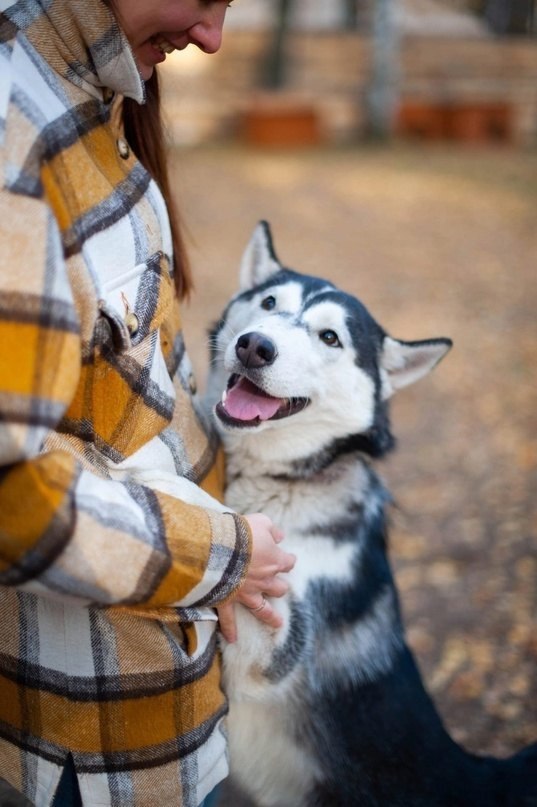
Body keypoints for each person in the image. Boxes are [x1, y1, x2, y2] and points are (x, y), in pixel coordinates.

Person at [0, 1, 295, 805]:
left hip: (173, 697)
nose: (213, 36)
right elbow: (15, 500)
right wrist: (222, 555)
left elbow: (147, 400)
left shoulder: (100, 101)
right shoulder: (14, 134)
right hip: (81, 749)